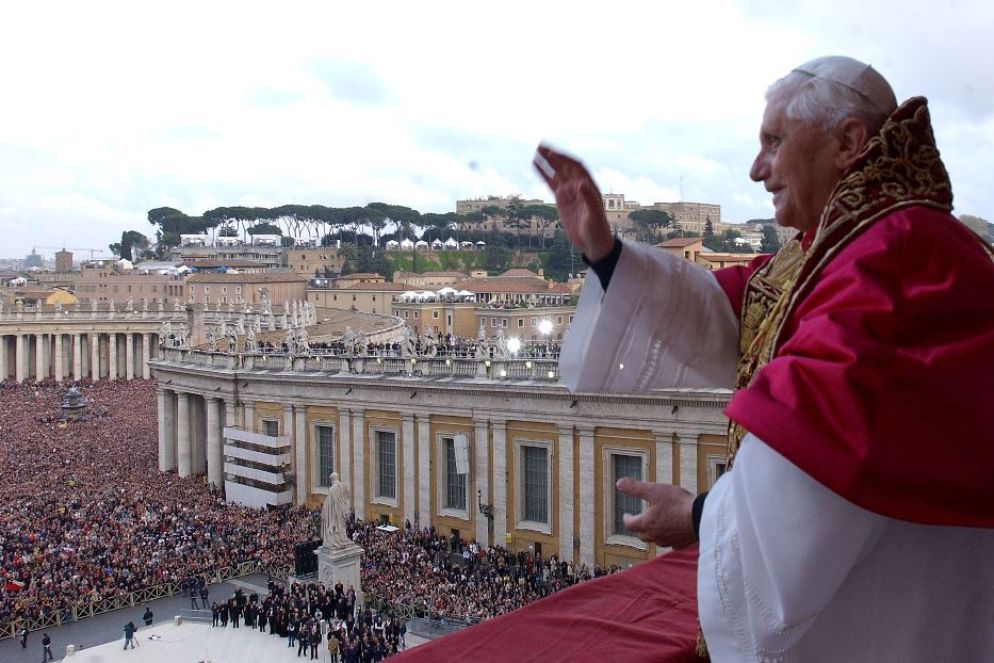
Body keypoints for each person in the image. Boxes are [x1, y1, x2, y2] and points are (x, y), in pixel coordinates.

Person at [535, 55, 994, 661]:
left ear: (848, 143)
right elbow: (730, 313)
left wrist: (700, 515)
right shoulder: (842, 246)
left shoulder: (893, 259)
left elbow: (817, 451)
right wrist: (606, 253)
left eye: (774, 142)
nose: (757, 170)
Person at [321, 472, 352, 548]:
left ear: (332, 479)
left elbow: (329, 504)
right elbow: (348, 496)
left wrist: (324, 509)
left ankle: (336, 540)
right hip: (342, 510)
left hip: (334, 512)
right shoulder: (344, 486)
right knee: (341, 526)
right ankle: (342, 538)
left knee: (335, 527)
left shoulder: (332, 489)